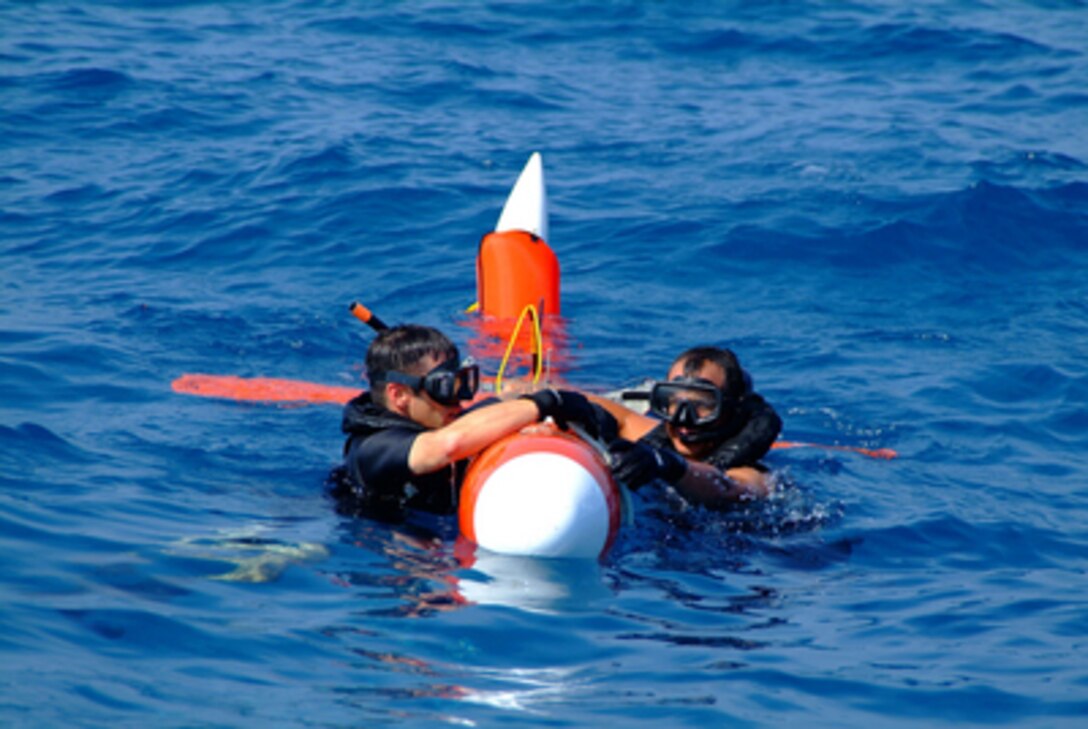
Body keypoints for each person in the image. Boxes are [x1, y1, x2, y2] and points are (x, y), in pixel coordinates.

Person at [330, 324, 603, 522]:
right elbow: (448, 445)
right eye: (445, 387)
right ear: (399, 395)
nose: (459, 401)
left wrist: (613, 440)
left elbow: (509, 402)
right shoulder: (373, 448)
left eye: (462, 383)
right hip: (384, 548)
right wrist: (545, 402)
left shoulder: (439, 422)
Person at [590, 346, 782, 509]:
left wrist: (664, 463)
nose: (684, 419)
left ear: (731, 412)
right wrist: (567, 403)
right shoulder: (656, 443)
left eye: (704, 405)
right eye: (674, 402)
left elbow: (725, 489)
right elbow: (620, 417)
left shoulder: (755, 477)